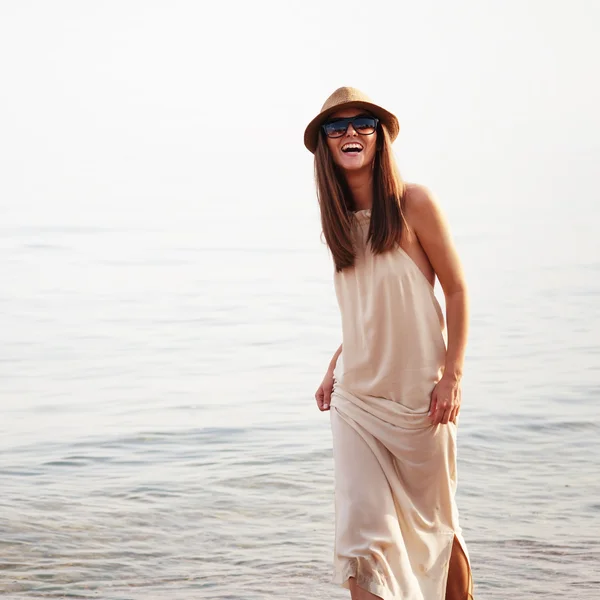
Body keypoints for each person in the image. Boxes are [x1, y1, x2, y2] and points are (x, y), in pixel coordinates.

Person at [305, 87, 474, 600]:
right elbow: (368, 307)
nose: (350, 132)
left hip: (421, 400)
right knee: (363, 542)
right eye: (337, 127)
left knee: (436, 530)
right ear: (326, 146)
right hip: (358, 400)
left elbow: (458, 288)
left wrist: (452, 376)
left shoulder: (412, 203)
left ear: (379, 137)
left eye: (362, 123)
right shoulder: (334, 224)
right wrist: (335, 364)